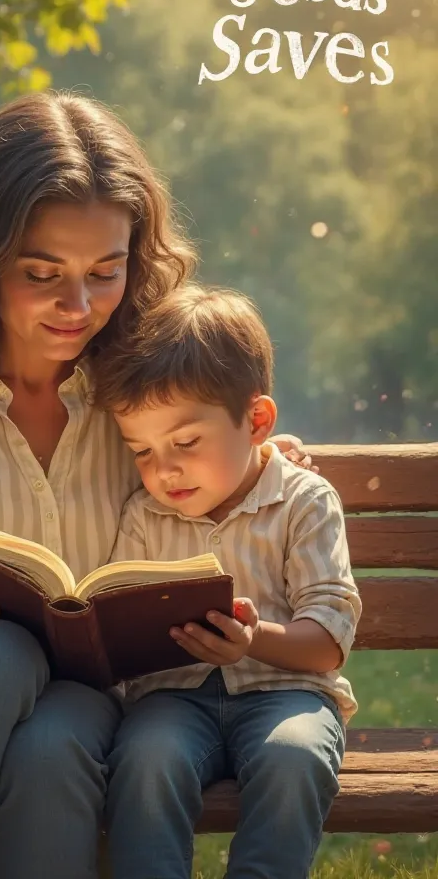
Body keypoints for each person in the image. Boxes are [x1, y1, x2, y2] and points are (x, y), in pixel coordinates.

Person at [0, 90, 315, 879]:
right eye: (42, 273)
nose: (77, 306)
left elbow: (217, 441)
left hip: (76, 699)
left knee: (54, 748)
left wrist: (256, 459)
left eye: (105, 272)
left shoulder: (140, 379)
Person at [93, 283, 362, 879]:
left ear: (257, 420)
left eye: (186, 442)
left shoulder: (304, 501)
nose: (164, 469)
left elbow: (327, 639)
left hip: (285, 693)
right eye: (141, 450)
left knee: (295, 759)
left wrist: (253, 639)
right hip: (172, 701)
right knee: (144, 760)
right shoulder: (143, 515)